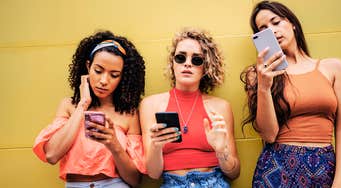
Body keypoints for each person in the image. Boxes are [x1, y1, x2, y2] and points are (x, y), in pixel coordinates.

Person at [241, 1, 341, 187]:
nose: (273, 31)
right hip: (277, 166)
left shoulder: (333, 67)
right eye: (264, 29)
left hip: (324, 165)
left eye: (276, 22)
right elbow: (268, 135)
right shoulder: (259, 74)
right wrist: (263, 86)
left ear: (292, 22)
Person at [33, 30, 146, 188]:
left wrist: (114, 144)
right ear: (88, 66)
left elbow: (135, 180)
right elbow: (52, 155)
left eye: (114, 75)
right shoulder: (69, 106)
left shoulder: (129, 114)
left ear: (122, 78)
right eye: (98, 71)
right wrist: (83, 105)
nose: (104, 81)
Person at [140, 28, 240, 187]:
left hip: (213, 182)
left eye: (197, 60)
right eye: (180, 57)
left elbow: (234, 173)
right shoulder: (151, 105)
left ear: (206, 67)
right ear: (172, 63)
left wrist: (221, 152)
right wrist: (156, 146)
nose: (187, 63)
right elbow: (153, 174)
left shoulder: (220, 107)